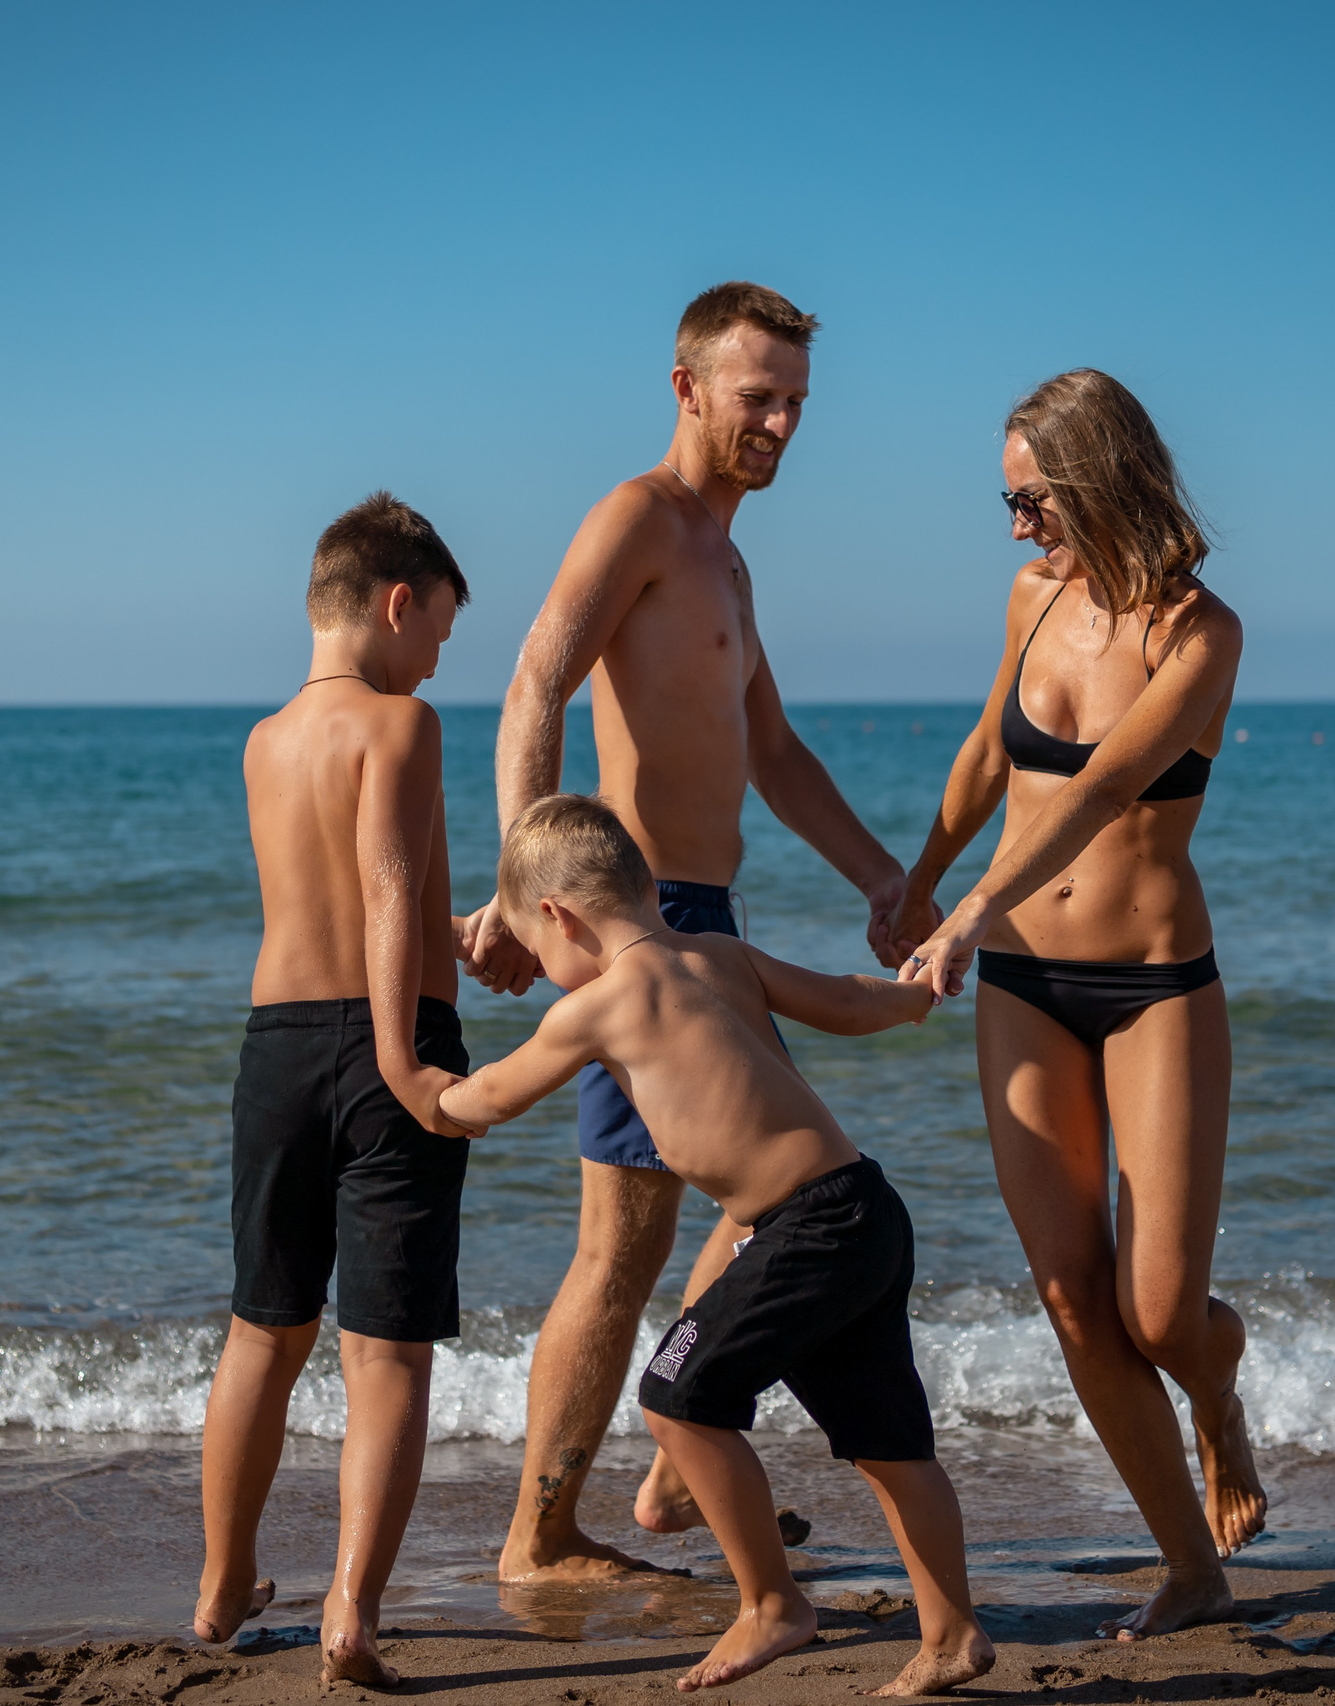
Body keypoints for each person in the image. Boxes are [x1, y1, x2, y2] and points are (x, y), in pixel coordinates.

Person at [459, 282, 911, 1580]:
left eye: (796, 403)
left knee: (781, 1187)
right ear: (687, 388)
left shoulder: (729, 558)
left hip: (703, 916)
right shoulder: (640, 518)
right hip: (634, 928)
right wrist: (516, 886)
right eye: (757, 395)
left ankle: (671, 1464)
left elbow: (771, 747)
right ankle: (541, 1535)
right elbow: (537, 676)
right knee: (626, 1241)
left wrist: (888, 881)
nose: (779, 421)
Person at [442, 795, 990, 1696]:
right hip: (865, 1209)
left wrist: (422, 1094)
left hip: (804, 1232)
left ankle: (773, 1603)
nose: (544, 972)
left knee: (675, 1393)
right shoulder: (720, 954)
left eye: (538, 954)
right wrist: (909, 998)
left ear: (557, 917)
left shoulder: (597, 1006)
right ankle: (951, 1633)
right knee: (891, 1446)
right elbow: (844, 1002)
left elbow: (492, 1096)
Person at [890, 370, 1267, 1638]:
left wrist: (964, 915)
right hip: (1025, 988)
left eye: (1029, 498)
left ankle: (1217, 1395)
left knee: (1159, 1311)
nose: (1013, 525)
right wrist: (917, 879)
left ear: (1097, 475)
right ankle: (1188, 1565)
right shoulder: (1032, 596)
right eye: (1004, 500)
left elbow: (1100, 791)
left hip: (1155, 984)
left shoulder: (1199, 636)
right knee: (1069, 1296)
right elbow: (993, 753)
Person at [191, 493, 480, 1689]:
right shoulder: (402, 724)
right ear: (396, 600)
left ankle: (220, 1583)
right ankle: (350, 1612)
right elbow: (382, 889)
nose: (435, 659)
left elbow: (379, 902)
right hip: (386, 1040)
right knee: (387, 1349)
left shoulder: (265, 739)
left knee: (264, 1325)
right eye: (440, 632)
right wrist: (408, 1054)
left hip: (275, 1044)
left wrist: (469, 937)